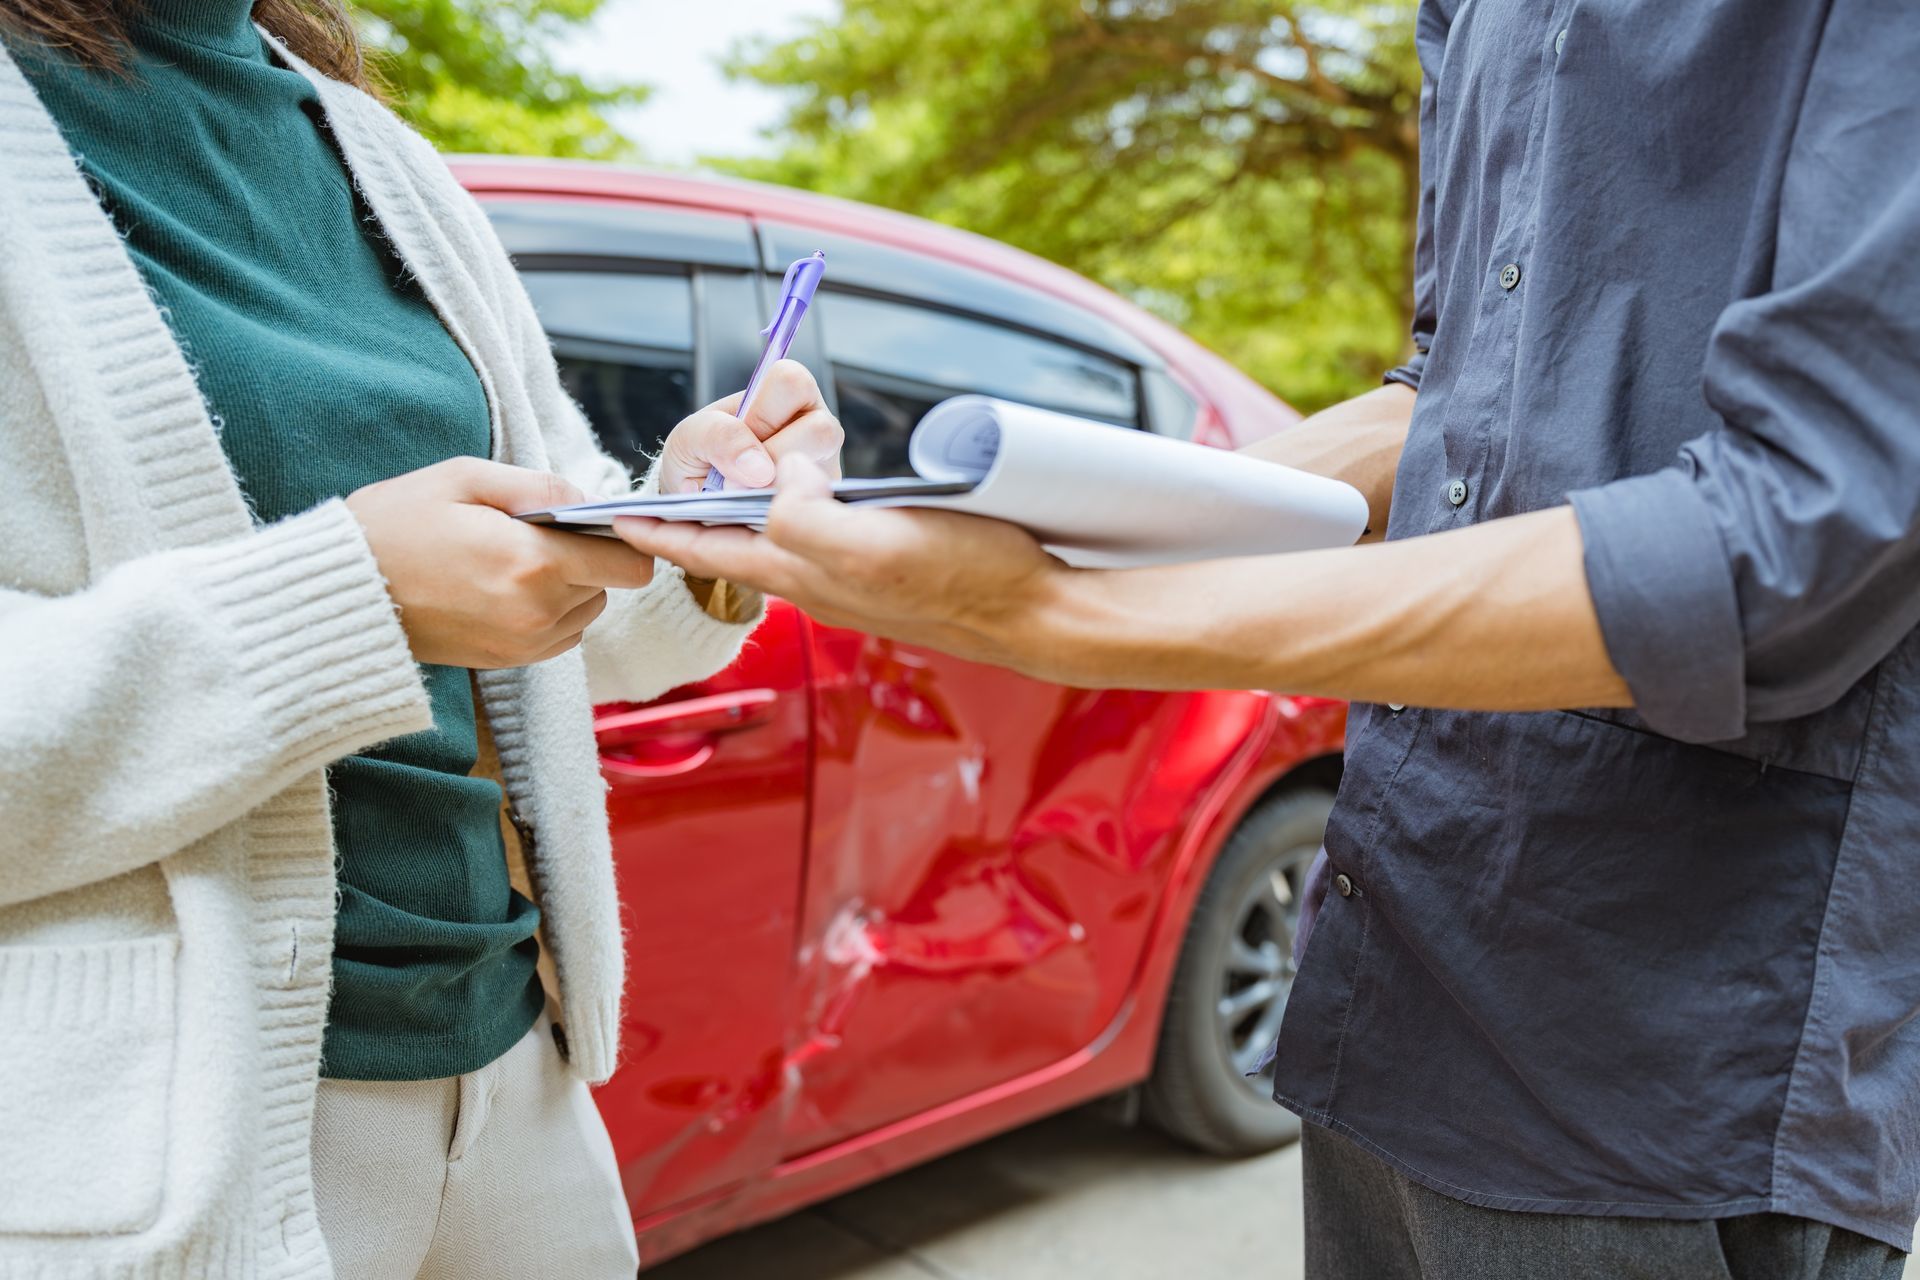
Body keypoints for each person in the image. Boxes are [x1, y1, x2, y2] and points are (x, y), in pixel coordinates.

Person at [614, 2, 1920, 1277]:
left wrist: (1059, 614)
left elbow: (1802, 531)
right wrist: (1076, 523)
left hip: (1668, 1055)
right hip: (1395, 973)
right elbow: (1457, 395)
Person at [0, 4, 840, 1277]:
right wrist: (351, 600)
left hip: (513, 1065)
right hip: (151, 1149)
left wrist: (693, 522)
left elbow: (550, 611)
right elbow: (393, 589)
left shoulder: (373, 147)